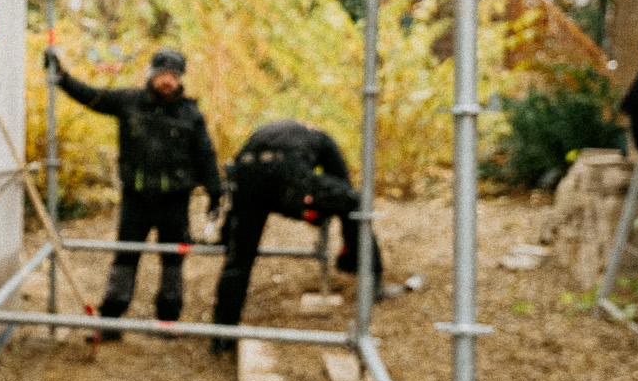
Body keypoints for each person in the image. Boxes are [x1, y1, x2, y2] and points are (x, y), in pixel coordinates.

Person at [43, 47, 223, 334]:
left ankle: (167, 320)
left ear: (180, 79)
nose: (168, 81)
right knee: (126, 256)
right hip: (136, 200)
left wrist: (215, 191)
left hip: (175, 201)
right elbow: (92, 96)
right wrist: (62, 77)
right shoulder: (129, 102)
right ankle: (111, 321)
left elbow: (205, 153)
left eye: (174, 76)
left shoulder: (190, 113)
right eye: (163, 74)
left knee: (173, 259)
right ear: (152, 74)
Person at [210, 118, 389, 351]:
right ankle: (367, 272)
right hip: (287, 177)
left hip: (247, 176)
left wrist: (227, 235)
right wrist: (315, 208)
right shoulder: (323, 139)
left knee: (239, 258)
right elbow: (341, 181)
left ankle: (221, 335)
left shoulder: (266, 130)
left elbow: (234, 202)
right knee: (354, 202)